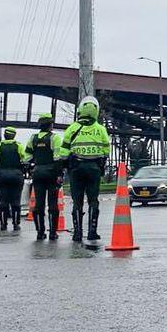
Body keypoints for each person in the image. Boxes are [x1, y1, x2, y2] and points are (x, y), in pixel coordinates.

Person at [62, 95, 110, 243]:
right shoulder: (100, 129)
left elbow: (63, 152)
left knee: (77, 201)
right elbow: (106, 150)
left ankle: (77, 233)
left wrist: (65, 167)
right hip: (94, 168)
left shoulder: (72, 129)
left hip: (76, 169)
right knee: (93, 200)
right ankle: (92, 232)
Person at [27, 112, 67, 241]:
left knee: (38, 204)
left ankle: (40, 232)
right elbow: (58, 158)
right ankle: (52, 233)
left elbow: (27, 157)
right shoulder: (54, 138)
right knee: (52, 203)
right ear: (51, 125)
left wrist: (33, 166)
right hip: (51, 173)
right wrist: (59, 174)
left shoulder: (32, 138)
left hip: (38, 172)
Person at [0, 126, 29, 232]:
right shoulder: (18, 146)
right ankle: (16, 224)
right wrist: (24, 172)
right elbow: (25, 160)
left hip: (2, 175)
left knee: (3, 201)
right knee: (16, 200)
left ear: (5, 135)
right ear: (14, 135)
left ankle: (3, 224)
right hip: (16, 175)